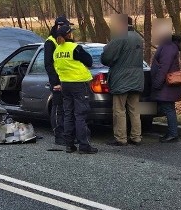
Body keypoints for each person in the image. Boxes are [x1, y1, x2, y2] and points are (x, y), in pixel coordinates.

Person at [52, 24, 98, 154]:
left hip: (65, 84)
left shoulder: (57, 51)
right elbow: (89, 61)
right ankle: (84, 145)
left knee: (68, 114)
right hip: (78, 84)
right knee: (80, 115)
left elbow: (57, 68)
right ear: (69, 35)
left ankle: (69, 145)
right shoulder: (75, 48)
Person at [101, 14, 145, 146]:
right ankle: (136, 137)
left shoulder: (120, 37)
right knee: (134, 109)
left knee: (119, 109)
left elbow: (106, 57)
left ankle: (121, 138)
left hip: (121, 78)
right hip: (137, 78)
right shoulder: (138, 37)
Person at [150, 18, 181, 143]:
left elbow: (164, 67)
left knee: (168, 109)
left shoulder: (168, 47)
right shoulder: (168, 45)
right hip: (167, 84)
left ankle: (173, 134)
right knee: (168, 108)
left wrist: (157, 83)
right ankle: (171, 132)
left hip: (167, 84)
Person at [44, 15, 70, 145]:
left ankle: (67, 134)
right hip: (57, 80)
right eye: (64, 26)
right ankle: (58, 135)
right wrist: (55, 82)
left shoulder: (66, 40)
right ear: (58, 26)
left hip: (68, 79)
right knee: (57, 107)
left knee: (66, 109)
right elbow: (48, 64)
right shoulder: (50, 42)